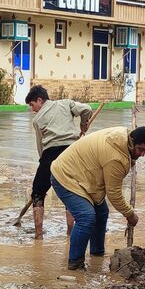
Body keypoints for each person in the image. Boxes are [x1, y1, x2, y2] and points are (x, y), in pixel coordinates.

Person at [50, 126, 145, 270]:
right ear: (131, 141)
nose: (142, 154)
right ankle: (75, 264)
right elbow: (114, 194)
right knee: (86, 217)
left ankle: (97, 256)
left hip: (85, 176)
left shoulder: (122, 135)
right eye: (140, 149)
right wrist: (130, 214)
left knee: (101, 213)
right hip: (66, 176)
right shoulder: (116, 158)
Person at [25, 85, 92, 237]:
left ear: (40, 100)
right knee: (71, 190)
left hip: (50, 154)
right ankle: (70, 232)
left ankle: (38, 234)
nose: (32, 109)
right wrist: (83, 124)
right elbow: (86, 109)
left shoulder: (37, 120)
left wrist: (44, 166)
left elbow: (40, 146)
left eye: (32, 105)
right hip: (71, 153)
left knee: (38, 192)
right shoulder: (66, 103)